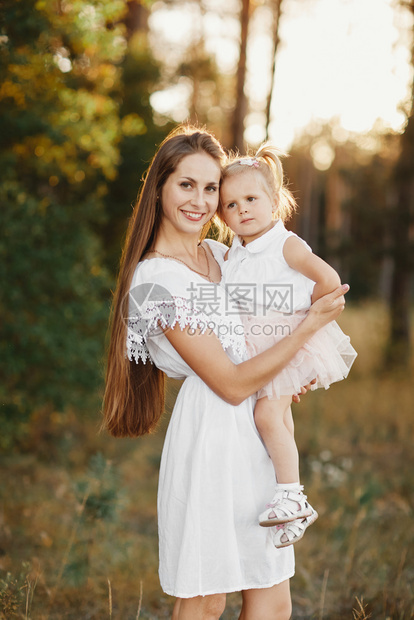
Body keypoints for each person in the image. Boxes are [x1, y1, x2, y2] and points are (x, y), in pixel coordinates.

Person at [102, 125, 349, 620]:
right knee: (208, 594)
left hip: (259, 430)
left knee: (271, 592)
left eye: (210, 187)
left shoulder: (223, 255)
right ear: (160, 189)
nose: (200, 200)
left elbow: (259, 335)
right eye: (185, 184)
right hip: (212, 435)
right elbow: (230, 383)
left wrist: (284, 376)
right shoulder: (154, 280)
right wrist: (309, 328)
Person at [218, 144, 357, 549]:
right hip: (257, 350)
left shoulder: (284, 244)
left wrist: (302, 319)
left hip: (286, 341)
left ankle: (291, 495)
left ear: (274, 201)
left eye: (251, 199)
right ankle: (295, 506)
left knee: (266, 414)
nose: (242, 210)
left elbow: (329, 281)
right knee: (277, 420)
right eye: (230, 204)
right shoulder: (236, 251)